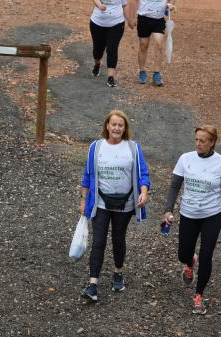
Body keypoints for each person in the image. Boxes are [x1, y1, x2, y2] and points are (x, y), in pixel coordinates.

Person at [162, 125, 221, 314]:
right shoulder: (185, 159)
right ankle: (189, 262)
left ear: (212, 143)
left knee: (206, 254)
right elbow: (175, 186)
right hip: (189, 213)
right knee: (183, 253)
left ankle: (199, 296)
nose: (198, 144)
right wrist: (168, 210)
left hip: (212, 214)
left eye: (202, 141)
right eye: (196, 140)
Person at [79, 110, 150, 302]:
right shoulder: (96, 147)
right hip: (100, 202)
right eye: (114, 124)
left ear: (125, 128)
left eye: (121, 125)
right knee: (99, 241)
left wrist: (143, 192)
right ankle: (93, 284)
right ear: (107, 126)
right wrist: (84, 199)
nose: (117, 128)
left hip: (125, 203)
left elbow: (143, 174)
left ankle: (118, 272)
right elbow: (87, 174)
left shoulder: (133, 148)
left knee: (118, 240)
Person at [128, 0, 176, 87]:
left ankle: (157, 73)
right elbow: (134, 0)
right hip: (144, 18)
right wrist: (131, 19)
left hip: (159, 19)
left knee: (160, 45)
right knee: (144, 45)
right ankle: (142, 71)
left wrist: (170, 5)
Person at [89, 0, 131, 88]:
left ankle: (111, 76)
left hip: (116, 23)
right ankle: (97, 63)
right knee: (98, 48)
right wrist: (100, 5)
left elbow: (124, 5)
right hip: (98, 23)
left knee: (112, 48)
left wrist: (130, 20)